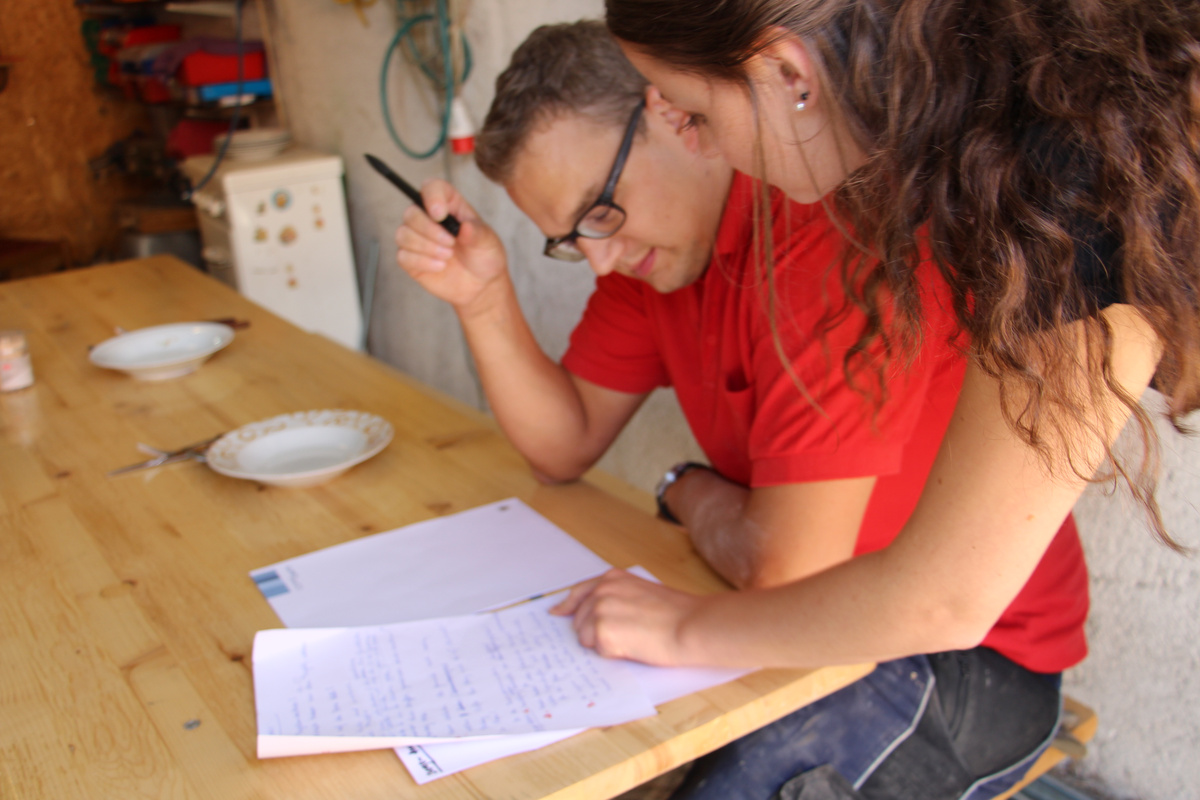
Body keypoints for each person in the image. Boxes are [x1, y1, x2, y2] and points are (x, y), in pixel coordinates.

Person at [396, 20, 1091, 800]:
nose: (599, 257)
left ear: (673, 115)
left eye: (600, 211)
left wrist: (687, 490)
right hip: (791, 621)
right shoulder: (649, 257)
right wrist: (484, 299)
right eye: (568, 239)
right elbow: (563, 446)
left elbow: (784, 567)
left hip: (967, 660)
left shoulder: (824, 244)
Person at [545, 2, 1199, 797]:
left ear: (788, 74)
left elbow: (947, 599)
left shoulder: (1066, 185)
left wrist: (683, 626)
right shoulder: (972, 158)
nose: (694, 141)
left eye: (693, 113)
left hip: (970, 659)